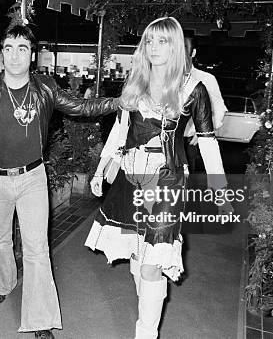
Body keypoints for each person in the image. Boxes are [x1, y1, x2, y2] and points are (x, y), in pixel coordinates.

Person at [0, 24, 119, 339]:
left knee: (36, 249)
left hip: (33, 177)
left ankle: (40, 319)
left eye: (22, 49)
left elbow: (81, 107)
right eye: (8, 48)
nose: (15, 55)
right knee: (1, 240)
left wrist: (118, 103)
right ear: (2, 53)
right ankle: (2, 284)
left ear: (32, 55)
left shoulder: (44, 88)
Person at [84, 17, 231, 339]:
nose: (154, 48)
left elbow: (208, 142)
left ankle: (146, 333)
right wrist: (100, 169)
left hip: (168, 183)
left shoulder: (195, 89)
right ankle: (148, 314)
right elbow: (120, 131)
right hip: (130, 177)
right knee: (139, 254)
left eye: (162, 41)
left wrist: (220, 191)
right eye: (149, 41)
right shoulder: (135, 83)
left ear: (176, 45)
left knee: (153, 260)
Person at [183, 37, 228, 173]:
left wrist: (203, 129)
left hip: (190, 142)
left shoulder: (206, 79)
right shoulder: (166, 78)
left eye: (185, 49)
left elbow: (219, 109)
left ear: (193, 52)